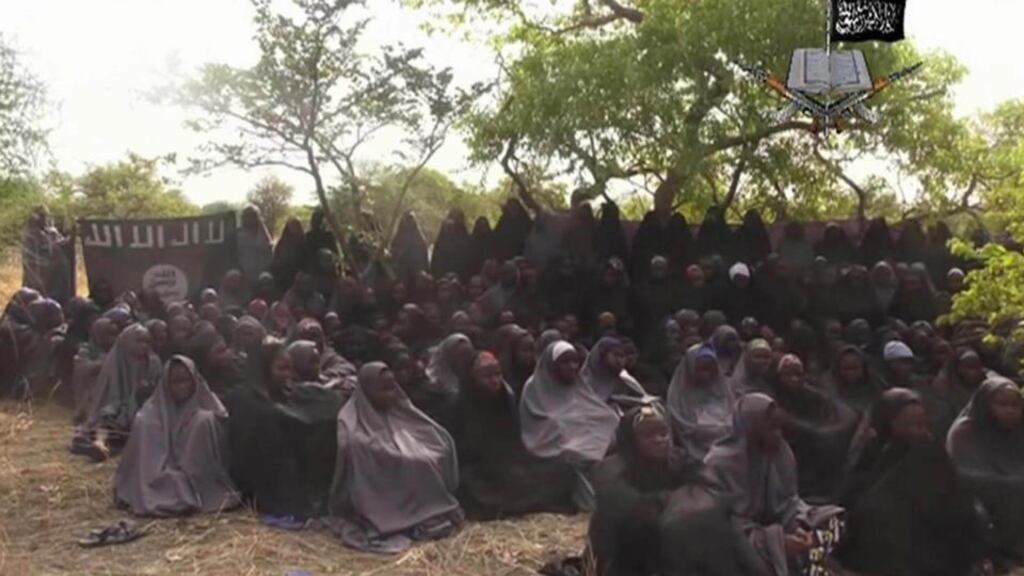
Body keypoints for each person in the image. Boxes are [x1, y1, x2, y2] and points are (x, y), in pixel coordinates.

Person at [589, 403, 760, 576]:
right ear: (631, 440)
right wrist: (672, 502)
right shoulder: (611, 469)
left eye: (663, 433)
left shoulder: (678, 459)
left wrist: (678, 508)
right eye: (649, 435)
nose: (659, 440)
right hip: (630, 554)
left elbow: (711, 491)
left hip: (678, 542)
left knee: (724, 527)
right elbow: (634, 511)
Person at [838, 388, 990, 576]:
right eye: (911, 424)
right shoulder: (871, 452)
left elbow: (957, 504)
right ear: (886, 423)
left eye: (922, 424)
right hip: (888, 550)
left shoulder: (930, 452)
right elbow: (856, 501)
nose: (921, 431)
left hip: (936, 546)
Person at [328, 362, 463, 553]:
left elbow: (423, 426)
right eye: (383, 389)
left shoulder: (398, 406)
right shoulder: (350, 416)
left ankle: (426, 510)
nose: (391, 394)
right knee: (417, 462)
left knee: (432, 453)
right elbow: (353, 442)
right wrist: (392, 451)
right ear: (367, 390)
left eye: (393, 388)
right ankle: (400, 515)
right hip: (380, 466)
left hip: (403, 448)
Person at [705, 393, 844, 576]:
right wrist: (776, 541)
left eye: (780, 428)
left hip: (778, 528)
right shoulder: (719, 464)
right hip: (739, 541)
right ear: (751, 428)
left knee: (832, 518)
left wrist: (798, 527)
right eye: (771, 429)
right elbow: (723, 525)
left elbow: (789, 502)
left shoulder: (781, 452)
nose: (778, 435)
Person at [222, 340, 342, 522]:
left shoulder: (283, 391)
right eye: (281, 368)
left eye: (290, 368)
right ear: (263, 369)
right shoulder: (243, 399)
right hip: (261, 476)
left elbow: (310, 400)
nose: (288, 375)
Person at [452, 351, 575, 519]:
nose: (495, 381)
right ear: (472, 378)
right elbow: (464, 451)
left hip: (510, 460)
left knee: (562, 469)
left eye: (498, 374)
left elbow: (513, 438)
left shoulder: (504, 398)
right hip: (479, 469)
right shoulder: (459, 407)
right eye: (487, 376)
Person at [114, 356, 240, 516]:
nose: (181, 387)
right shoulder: (147, 417)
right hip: (156, 478)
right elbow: (145, 469)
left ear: (195, 381)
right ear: (166, 383)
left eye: (186, 381)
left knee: (204, 420)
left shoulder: (204, 417)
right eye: (175, 381)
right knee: (145, 423)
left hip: (194, 480)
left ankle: (188, 492)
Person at [519, 340, 620, 511]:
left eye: (575, 361)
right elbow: (538, 426)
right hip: (556, 447)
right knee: (576, 457)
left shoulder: (576, 383)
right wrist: (575, 430)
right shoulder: (535, 386)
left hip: (584, 440)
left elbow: (594, 409)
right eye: (565, 362)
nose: (573, 367)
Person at [947, 378, 1024, 564]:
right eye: (1002, 404)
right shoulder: (965, 430)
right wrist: (1012, 483)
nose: (1010, 410)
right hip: (979, 499)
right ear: (985, 404)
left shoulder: (1019, 430)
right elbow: (962, 475)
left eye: (1015, 405)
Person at [771, 354, 859, 502]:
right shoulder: (770, 396)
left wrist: (828, 431)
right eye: (788, 375)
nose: (794, 379)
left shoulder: (810, 394)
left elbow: (842, 412)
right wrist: (814, 433)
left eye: (798, 374)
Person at [74, 324, 163, 461]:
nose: (144, 346)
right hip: (116, 406)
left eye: (147, 342)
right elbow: (107, 392)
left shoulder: (154, 362)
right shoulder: (115, 359)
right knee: (107, 417)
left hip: (142, 406)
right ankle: (100, 444)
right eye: (139, 341)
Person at [667, 343, 735, 459]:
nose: (708, 374)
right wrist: (707, 431)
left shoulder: (722, 390)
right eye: (703, 368)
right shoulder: (679, 395)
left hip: (726, 451)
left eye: (712, 369)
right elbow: (682, 425)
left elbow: (732, 415)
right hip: (692, 453)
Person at [22, 206, 72, 304]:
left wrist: (68, 239)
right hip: (38, 274)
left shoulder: (51, 232)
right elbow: (34, 256)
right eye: (42, 216)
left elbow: (61, 243)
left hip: (56, 275)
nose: (45, 219)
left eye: (46, 216)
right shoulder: (30, 234)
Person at [236, 205, 274, 292]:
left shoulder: (262, 233)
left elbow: (269, 248)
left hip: (262, 274)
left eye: (253, 216)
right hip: (244, 276)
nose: (250, 219)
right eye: (248, 216)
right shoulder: (238, 235)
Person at [390, 212, 430, 286]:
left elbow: (424, 257)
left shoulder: (419, 238)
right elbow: (393, 254)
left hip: (417, 271)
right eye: (407, 220)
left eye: (410, 220)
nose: (409, 223)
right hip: (402, 271)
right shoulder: (398, 237)